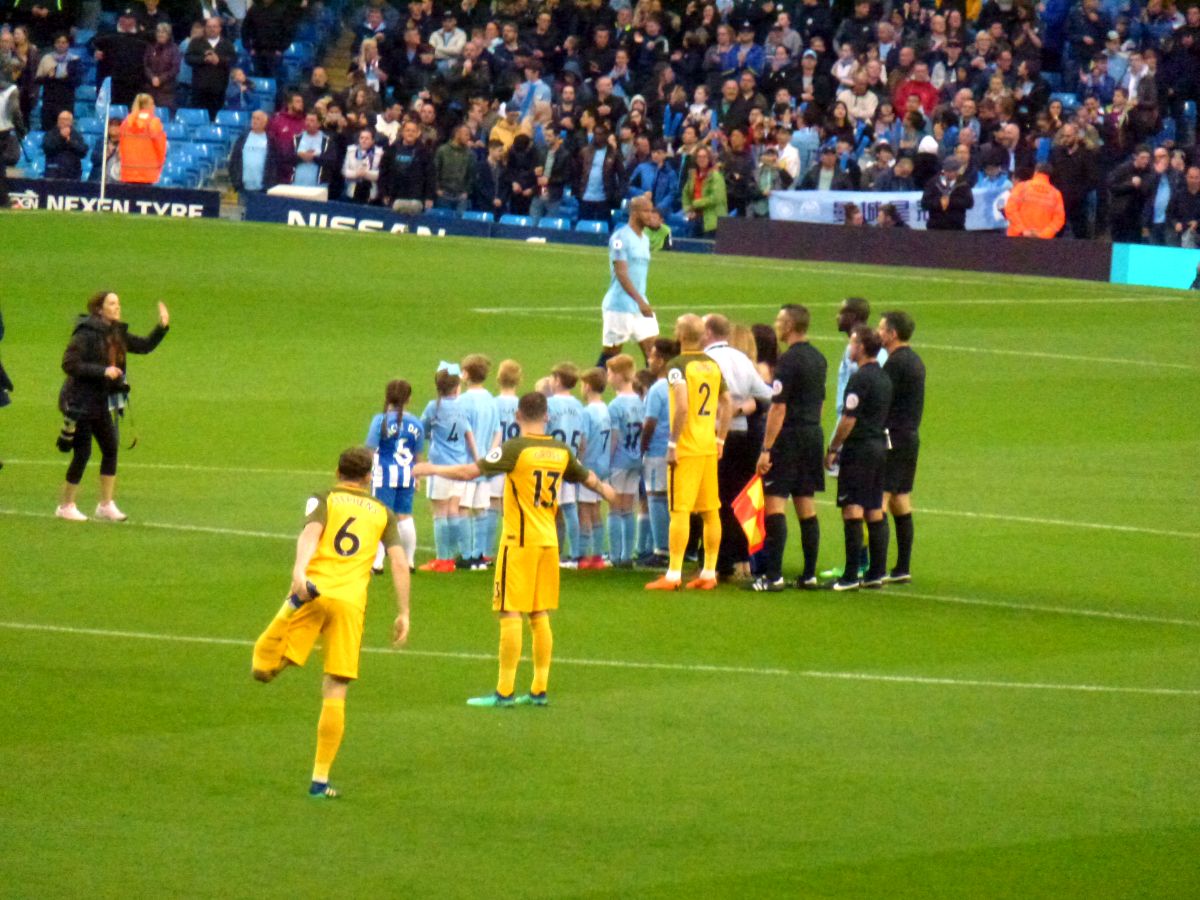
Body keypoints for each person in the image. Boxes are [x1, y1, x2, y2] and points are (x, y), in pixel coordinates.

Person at [414, 391, 615, 708]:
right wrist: (606, 490)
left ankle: (504, 691)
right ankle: (538, 690)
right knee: (539, 612)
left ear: (518, 416)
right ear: (546, 416)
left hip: (519, 541)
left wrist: (430, 469)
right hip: (549, 542)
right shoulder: (560, 450)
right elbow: (585, 476)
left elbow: (470, 472)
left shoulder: (516, 448)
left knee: (510, 611)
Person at [251, 447, 411, 799]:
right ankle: (319, 781)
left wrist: (299, 572)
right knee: (336, 687)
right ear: (369, 477)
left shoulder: (323, 498)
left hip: (314, 593)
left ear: (337, 471)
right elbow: (399, 563)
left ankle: (286, 609)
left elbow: (310, 535)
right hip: (350, 605)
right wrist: (404, 612)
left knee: (263, 671)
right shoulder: (384, 512)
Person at [56, 292, 169, 522]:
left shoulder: (116, 333)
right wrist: (103, 371)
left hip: (99, 401)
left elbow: (144, 346)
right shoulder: (85, 334)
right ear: (99, 309)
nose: (117, 307)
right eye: (112, 303)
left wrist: (162, 327)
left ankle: (105, 504)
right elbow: (69, 364)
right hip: (79, 400)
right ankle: (66, 505)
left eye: (118, 303)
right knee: (83, 452)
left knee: (110, 448)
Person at [645, 314, 733, 592]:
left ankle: (673, 574)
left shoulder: (677, 366)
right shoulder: (712, 364)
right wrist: (721, 439)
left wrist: (672, 444)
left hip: (686, 449)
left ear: (680, 335)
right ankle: (709, 572)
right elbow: (728, 403)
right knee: (710, 510)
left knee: (679, 510)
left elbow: (681, 406)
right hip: (708, 446)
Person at [753, 304, 827, 592]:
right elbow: (820, 403)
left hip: (789, 438)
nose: (776, 324)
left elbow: (778, 409)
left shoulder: (787, 362)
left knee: (775, 503)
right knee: (806, 504)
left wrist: (766, 448)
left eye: (780, 320)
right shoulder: (819, 358)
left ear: (792, 326)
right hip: (812, 434)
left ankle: (773, 577)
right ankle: (809, 575)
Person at [702, 313, 772, 581]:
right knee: (739, 500)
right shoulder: (742, 359)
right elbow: (766, 394)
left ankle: (719, 563)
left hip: (716, 436)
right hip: (744, 439)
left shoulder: (705, 361)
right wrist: (744, 407)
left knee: (713, 501)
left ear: (708, 332)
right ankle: (742, 559)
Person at [823, 326, 892, 592]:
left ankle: (850, 576)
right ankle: (876, 573)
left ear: (862, 347)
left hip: (860, 449)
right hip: (879, 447)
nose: (850, 348)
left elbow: (848, 419)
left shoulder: (860, 379)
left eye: (853, 343)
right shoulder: (884, 378)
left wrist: (833, 447)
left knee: (852, 508)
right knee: (874, 509)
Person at [878, 311, 925, 584]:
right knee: (901, 499)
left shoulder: (895, 364)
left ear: (893, 333)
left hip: (891, 437)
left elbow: (883, 400)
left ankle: (878, 568)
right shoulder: (915, 360)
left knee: (880, 500)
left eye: (882, 328)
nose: (878, 332)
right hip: (909, 437)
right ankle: (902, 567)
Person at [364, 379, 424, 573]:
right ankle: (409, 561)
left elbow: (371, 450)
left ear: (386, 397)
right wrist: (418, 477)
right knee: (405, 516)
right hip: (407, 474)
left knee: (381, 516)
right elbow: (418, 455)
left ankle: (378, 562)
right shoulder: (416, 423)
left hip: (383, 475)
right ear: (409, 399)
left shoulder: (380, 421)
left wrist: (367, 473)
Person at [419, 363, 473, 571]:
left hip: (439, 466)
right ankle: (463, 554)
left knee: (440, 512)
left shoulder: (434, 407)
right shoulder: (462, 407)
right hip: (460, 465)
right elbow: (468, 434)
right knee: (455, 510)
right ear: (456, 387)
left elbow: (421, 430)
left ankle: (443, 558)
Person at [599, 193, 659, 369]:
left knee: (654, 354)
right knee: (611, 358)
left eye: (651, 211)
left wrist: (641, 301)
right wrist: (640, 301)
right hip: (619, 306)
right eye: (646, 211)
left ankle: (651, 394)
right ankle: (593, 388)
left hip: (640, 304)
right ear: (634, 213)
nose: (650, 215)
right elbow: (621, 273)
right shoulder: (620, 238)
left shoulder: (645, 239)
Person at [456, 353, 500, 569]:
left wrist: (475, 458)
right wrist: (489, 457)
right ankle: (480, 554)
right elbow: (497, 432)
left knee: (464, 508)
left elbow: (465, 432)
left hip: (467, 463)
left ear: (466, 374)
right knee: (482, 509)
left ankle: (466, 555)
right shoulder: (491, 399)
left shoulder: (463, 401)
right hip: (485, 462)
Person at [639, 337, 677, 567]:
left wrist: (642, 447)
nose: (649, 360)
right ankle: (682, 548)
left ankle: (662, 550)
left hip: (657, 451)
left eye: (652, 356)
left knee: (656, 499)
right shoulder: (679, 384)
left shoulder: (657, 389)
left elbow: (650, 423)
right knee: (672, 500)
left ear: (661, 361)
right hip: (678, 448)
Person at [604, 353, 644, 567]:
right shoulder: (640, 401)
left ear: (619, 375)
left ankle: (615, 555)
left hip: (619, 458)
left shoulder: (615, 405)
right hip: (636, 458)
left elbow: (614, 436)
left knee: (614, 507)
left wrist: (607, 461)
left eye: (610, 372)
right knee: (629, 507)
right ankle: (628, 555)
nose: (608, 376)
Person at [547, 362, 586, 567]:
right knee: (568, 508)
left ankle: (562, 551)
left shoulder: (550, 405)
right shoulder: (579, 406)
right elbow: (584, 438)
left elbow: (543, 433)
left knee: (556, 509)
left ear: (558, 380)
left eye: (553, 378)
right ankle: (572, 552)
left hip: (550, 461)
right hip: (571, 459)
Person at [576, 366, 612, 569]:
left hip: (589, 465)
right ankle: (598, 554)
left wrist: (577, 463)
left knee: (585, 511)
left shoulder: (587, 412)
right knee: (596, 510)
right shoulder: (605, 409)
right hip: (603, 464)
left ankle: (584, 555)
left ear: (587, 386)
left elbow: (583, 441)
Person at [184, 17, 236, 121]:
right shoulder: (196, 42)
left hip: (218, 91)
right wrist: (204, 59)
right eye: (209, 27)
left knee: (215, 119)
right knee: (198, 119)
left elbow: (233, 60)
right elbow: (188, 58)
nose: (212, 29)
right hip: (199, 91)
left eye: (214, 27)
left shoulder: (227, 44)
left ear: (220, 28)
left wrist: (219, 60)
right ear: (205, 28)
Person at [1005, 163, 1066, 238]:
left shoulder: (1022, 187)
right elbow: (1059, 219)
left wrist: (1023, 230)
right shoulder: (1056, 194)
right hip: (1041, 242)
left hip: (1017, 237)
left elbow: (1010, 209)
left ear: (1035, 172)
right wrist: (1044, 234)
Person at [117, 93, 167, 185]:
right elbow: (161, 148)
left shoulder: (126, 123)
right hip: (148, 174)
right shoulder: (154, 123)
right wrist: (159, 165)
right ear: (150, 105)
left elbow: (121, 147)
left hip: (128, 173)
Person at [681, 144, 728, 236]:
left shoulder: (716, 176)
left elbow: (716, 198)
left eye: (704, 156)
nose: (701, 159)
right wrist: (688, 209)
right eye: (699, 157)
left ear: (709, 159)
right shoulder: (693, 176)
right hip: (696, 218)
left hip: (713, 221)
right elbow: (685, 194)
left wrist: (695, 204)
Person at [921, 157, 974, 230]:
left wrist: (951, 202)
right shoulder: (933, 183)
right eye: (947, 171)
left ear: (957, 171)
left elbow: (969, 203)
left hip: (956, 227)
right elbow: (924, 203)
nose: (949, 173)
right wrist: (939, 202)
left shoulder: (963, 184)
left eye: (953, 171)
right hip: (935, 226)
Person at [41, 109, 88, 180]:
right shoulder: (50, 134)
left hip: (73, 174)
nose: (62, 121)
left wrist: (70, 141)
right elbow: (47, 148)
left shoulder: (77, 135)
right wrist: (61, 137)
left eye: (66, 119)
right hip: (53, 172)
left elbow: (83, 151)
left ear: (71, 122)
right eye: (60, 119)